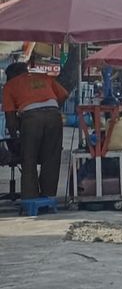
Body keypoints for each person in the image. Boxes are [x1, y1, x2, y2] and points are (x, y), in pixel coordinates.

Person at [2, 62, 69, 199]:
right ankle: (48, 197)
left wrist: (15, 139)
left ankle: (30, 198)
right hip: (54, 116)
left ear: (11, 75)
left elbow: (10, 119)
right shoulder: (43, 77)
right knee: (51, 159)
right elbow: (63, 94)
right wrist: (52, 108)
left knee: (28, 160)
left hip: (31, 118)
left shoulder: (10, 85)